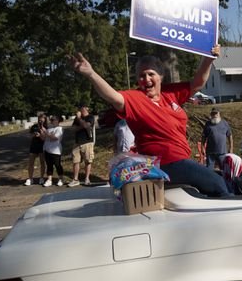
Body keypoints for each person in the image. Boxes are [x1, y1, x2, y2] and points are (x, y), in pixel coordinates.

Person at [68, 45, 231, 197]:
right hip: (164, 163)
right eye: (141, 75)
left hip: (182, 160)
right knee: (218, 185)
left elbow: (198, 84)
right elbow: (113, 96)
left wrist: (208, 58)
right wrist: (91, 74)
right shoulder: (135, 98)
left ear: (161, 76)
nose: (146, 79)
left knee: (230, 181)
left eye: (150, 74)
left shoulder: (170, 94)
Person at [68, 104, 95, 187]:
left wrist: (80, 120)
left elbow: (87, 125)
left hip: (87, 142)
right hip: (77, 142)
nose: (79, 110)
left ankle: (87, 178)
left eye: (81, 108)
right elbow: (72, 129)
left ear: (86, 108)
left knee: (88, 161)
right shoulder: (76, 119)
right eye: (79, 108)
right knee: (75, 161)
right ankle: (75, 179)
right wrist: (81, 125)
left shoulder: (90, 117)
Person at [24, 113, 47, 186]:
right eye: (40, 119)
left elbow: (45, 138)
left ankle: (42, 178)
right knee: (31, 163)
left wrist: (40, 135)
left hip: (42, 146)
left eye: (42, 119)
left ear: (45, 119)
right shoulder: (34, 126)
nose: (41, 120)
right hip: (33, 146)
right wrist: (34, 135)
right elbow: (29, 136)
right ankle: (30, 179)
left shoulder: (46, 127)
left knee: (42, 162)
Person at [41, 115, 64, 186]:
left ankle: (60, 179)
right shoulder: (49, 129)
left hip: (56, 150)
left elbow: (55, 138)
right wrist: (41, 132)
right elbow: (44, 138)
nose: (51, 121)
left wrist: (46, 132)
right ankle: (49, 180)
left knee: (57, 165)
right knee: (49, 165)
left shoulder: (60, 129)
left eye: (53, 120)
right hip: (47, 150)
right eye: (51, 120)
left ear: (58, 121)